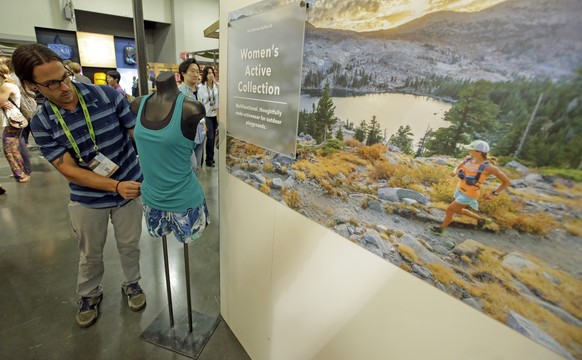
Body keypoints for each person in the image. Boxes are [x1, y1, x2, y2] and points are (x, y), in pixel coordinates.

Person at [12, 44, 146, 328]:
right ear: (30, 84)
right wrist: (115, 186)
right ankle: (89, 294)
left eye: (65, 76)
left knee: (130, 244)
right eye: (51, 83)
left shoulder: (107, 96)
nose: (64, 87)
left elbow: (138, 137)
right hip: (87, 198)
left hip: (130, 188)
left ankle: (132, 283)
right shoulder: (42, 122)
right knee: (90, 252)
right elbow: (69, 170)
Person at [131, 72, 209, 244]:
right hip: (151, 199)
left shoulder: (192, 108)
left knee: (186, 254)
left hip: (184, 201)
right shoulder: (138, 104)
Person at [430, 140, 511, 235]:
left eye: (470, 149)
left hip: (469, 194)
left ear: (478, 152)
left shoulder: (489, 168)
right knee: (458, 210)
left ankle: (440, 230)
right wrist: (455, 171)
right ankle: (482, 220)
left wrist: (494, 193)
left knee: (450, 210)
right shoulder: (468, 159)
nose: (468, 151)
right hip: (459, 189)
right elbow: (459, 166)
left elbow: (507, 182)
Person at [0, 63, 31, 183]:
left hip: (11, 121)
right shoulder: (9, 85)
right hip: (12, 120)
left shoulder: (6, 86)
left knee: (9, 149)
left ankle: (21, 174)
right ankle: (20, 171)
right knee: (13, 148)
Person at [177, 58, 205, 172]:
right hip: (186, 137)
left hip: (201, 134)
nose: (196, 74)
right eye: (192, 71)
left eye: (197, 71)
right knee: (191, 167)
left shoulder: (200, 90)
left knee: (198, 167)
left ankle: (194, 188)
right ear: (183, 73)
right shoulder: (178, 92)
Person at [197, 66, 219, 167]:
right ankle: (208, 160)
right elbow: (199, 103)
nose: (211, 75)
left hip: (214, 115)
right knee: (209, 137)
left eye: (212, 73)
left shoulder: (215, 86)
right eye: (208, 73)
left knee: (213, 137)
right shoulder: (201, 88)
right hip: (206, 115)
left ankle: (211, 157)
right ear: (205, 75)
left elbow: (222, 93)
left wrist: (216, 83)